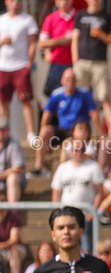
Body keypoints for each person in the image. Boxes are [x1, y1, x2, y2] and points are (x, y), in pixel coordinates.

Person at [33, 68, 99, 178]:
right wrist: (45, 141)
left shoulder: (84, 93)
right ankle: (38, 167)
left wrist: (101, 135)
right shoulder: (56, 94)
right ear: (62, 81)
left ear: (76, 81)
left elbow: (94, 114)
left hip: (79, 129)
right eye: (68, 79)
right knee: (44, 131)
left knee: (79, 130)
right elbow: (46, 116)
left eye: (73, 79)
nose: (70, 82)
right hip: (62, 129)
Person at [0, 0, 38, 147]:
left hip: (21, 66)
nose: (16, 3)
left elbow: (33, 43)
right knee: (4, 102)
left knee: (26, 100)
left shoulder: (28, 20)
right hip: (3, 67)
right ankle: (4, 134)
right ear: (7, 2)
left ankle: (31, 134)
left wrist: (29, 64)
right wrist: (3, 42)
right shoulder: (1, 20)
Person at [71, 0, 111, 121]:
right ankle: (81, 128)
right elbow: (75, 38)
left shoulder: (107, 16)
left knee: (105, 97)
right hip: (82, 62)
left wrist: (101, 34)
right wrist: (75, 60)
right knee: (80, 97)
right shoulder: (80, 15)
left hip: (100, 62)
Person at [38, 0, 76, 99]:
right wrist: (59, 41)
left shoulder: (79, 17)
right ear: (56, 2)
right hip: (57, 64)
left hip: (77, 64)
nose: (64, 2)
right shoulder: (51, 18)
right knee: (56, 95)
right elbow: (42, 43)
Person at [0, 117, 25, 208]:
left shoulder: (14, 144)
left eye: (3, 129)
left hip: (11, 183)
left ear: (8, 130)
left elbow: (18, 169)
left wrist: (1, 175)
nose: (1, 132)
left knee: (12, 178)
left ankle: (12, 212)